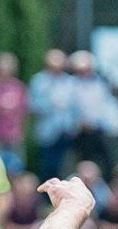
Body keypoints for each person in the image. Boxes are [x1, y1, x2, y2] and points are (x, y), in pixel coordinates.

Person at [28, 50, 78, 181]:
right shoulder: (39, 81)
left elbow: (75, 107)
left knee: (66, 166)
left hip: (67, 130)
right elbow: (33, 105)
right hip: (47, 132)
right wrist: (52, 105)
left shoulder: (70, 82)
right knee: (48, 166)